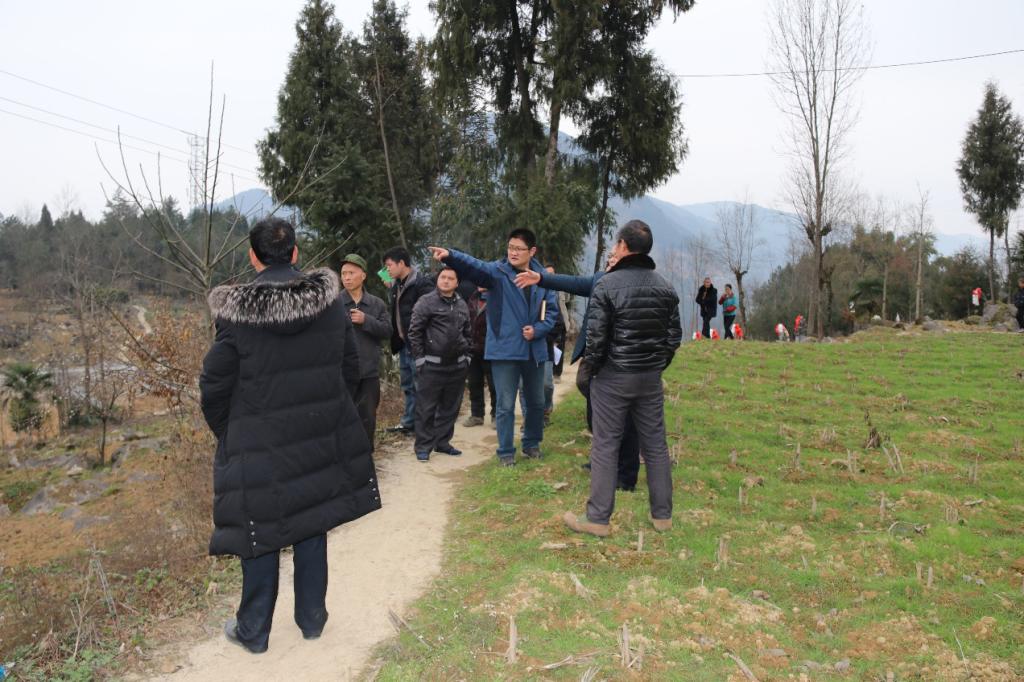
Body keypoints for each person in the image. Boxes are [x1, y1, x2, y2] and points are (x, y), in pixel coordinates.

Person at [200, 218, 380, 653]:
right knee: (311, 520)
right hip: (316, 435)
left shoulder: (237, 314)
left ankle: (254, 631)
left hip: (258, 442)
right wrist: (326, 413)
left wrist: (230, 432)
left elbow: (214, 386)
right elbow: (349, 367)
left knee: (259, 531)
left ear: (253, 257)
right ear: (296, 253)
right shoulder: (330, 304)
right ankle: (312, 620)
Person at [561, 220, 681, 537]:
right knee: (655, 445)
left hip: (613, 376)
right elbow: (673, 338)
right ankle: (662, 516)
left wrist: (592, 371)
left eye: (616, 244)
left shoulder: (607, 285)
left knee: (605, 445)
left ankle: (598, 518)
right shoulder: (666, 287)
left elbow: (596, 339)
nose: (614, 248)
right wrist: (656, 365)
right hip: (649, 378)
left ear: (624, 246)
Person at [428, 228, 559, 467]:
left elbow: (551, 312)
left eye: (519, 249)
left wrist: (538, 330)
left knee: (536, 402)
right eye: (510, 247)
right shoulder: (497, 273)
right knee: (505, 404)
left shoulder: (542, 278)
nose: (513, 253)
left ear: (532, 251)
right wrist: (451, 256)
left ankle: (531, 444)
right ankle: (506, 452)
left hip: (534, 349)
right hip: (504, 349)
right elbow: (474, 266)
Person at [515, 253, 641, 492]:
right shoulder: (599, 280)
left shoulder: (634, 285)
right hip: (596, 359)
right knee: (596, 411)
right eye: (609, 260)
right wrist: (541, 278)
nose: (611, 262)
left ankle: (625, 475)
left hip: (623, 362)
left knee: (625, 419)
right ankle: (600, 461)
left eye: (616, 259)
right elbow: (571, 282)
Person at [406, 266, 472, 462]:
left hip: (457, 366)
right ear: (437, 280)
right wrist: (420, 359)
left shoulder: (461, 303)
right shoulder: (426, 302)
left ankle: (442, 442)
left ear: (457, 283)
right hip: (432, 366)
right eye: (443, 277)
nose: (446, 280)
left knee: (450, 408)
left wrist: (467, 357)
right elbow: (414, 332)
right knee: (426, 408)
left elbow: (468, 332)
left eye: (451, 278)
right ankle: (423, 446)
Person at [339, 253, 391, 448]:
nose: (346, 277)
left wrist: (366, 320)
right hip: (342, 372)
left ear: (363, 276)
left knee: (368, 418)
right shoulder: (334, 303)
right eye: (343, 273)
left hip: (368, 372)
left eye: (351, 273)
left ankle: (366, 456)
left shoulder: (376, 304)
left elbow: (387, 331)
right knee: (343, 417)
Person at [383, 246, 435, 435]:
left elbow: (430, 314)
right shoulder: (397, 285)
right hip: (403, 343)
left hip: (419, 344)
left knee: (422, 385)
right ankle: (409, 423)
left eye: (389, 265)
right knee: (408, 385)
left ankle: (425, 425)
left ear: (401, 263)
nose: (387, 270)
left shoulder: (422, 284)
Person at [463, 287, 497, 427]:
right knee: (474, 383)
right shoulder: (472, 297)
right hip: (473, 349)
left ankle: (496, 415)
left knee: (494, 385)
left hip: (491, 349)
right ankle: (477, 414)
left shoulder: (497, 297)